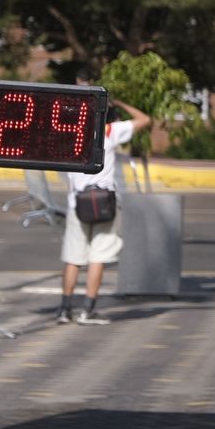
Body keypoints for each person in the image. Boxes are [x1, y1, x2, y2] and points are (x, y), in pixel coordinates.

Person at [57, 99, 152, 326]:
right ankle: (87, 311)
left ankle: (64, 309)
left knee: (73, 259)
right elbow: (145, 120)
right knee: (97, 258)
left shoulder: (72, 136)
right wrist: (121, 102)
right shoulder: (110, 132)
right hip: (105, 204)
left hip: (76, 204)